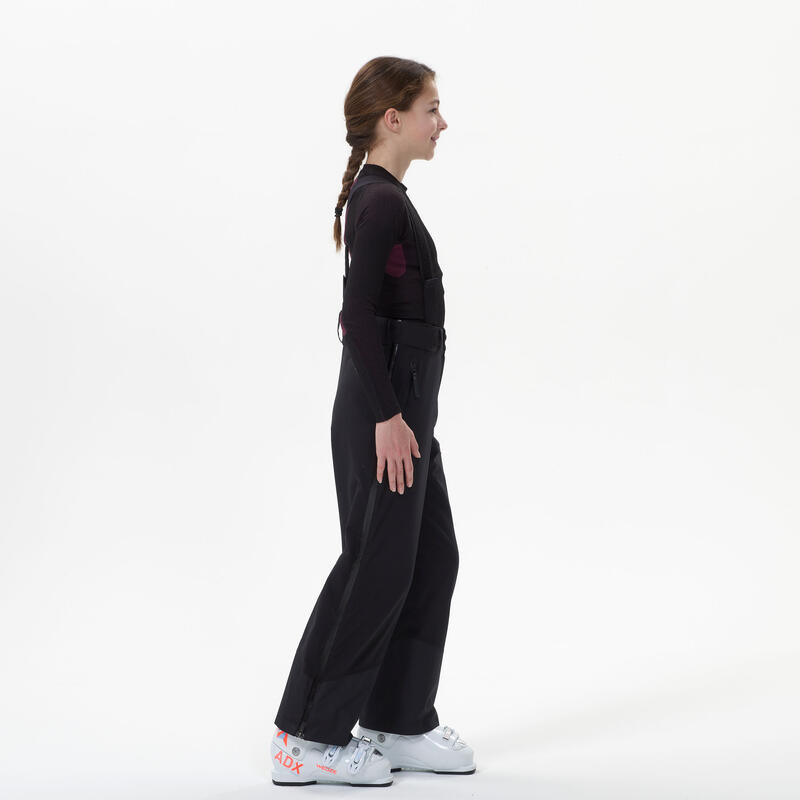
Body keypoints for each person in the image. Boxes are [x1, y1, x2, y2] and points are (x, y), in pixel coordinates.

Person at [270, 56, 476, 787]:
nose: (442, 122)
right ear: (394, 119)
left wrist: (407, 413)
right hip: (384, 410)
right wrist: (389, 416)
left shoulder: (385, 196)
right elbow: (356, 318)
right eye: (431, 109)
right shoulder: (380, 200)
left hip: (408, 409)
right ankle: (307, 736)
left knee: (432, 556)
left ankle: (397, 717)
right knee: (375, 565)